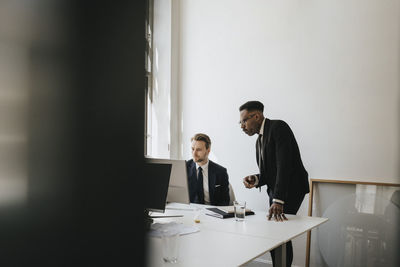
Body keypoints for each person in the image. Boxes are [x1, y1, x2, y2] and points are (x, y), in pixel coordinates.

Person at [239, 101, 309, 267]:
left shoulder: (278, 127)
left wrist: (278, 200)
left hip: (291, 189)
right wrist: (256, 179)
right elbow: (270, 173)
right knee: (277, 234)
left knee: (279, 233)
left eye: (244, 121)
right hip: (277, 190)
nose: (242, 126)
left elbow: (284, 165)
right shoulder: (259, 141)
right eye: (240, 122)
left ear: (256, 116)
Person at [186, 133, 230, 206]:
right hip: (190, 212)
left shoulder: (221, 172)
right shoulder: (184, 168)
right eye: (192, 149)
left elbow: (225, 201)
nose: (194, 153)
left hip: (212, 212)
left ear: (208, 151)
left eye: (198, 150)